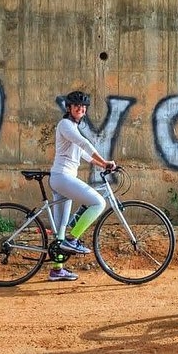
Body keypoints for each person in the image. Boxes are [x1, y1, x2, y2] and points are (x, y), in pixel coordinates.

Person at [47, 90, 117, 282]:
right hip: (62, 177)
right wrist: (104, 160)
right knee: (98, 203)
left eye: (83, 107)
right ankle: (73, 240)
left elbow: (84, 155)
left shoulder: (72, 128)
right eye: (76, 106)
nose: (80, 108)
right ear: (68, 108)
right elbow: (84, 144)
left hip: (62, 179)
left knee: (60, 226)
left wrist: (105, 164)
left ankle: (57, 269)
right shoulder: (65, 125)